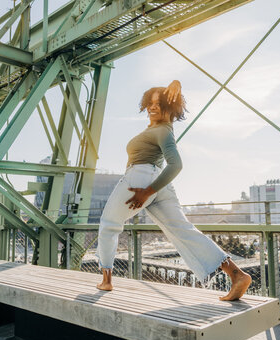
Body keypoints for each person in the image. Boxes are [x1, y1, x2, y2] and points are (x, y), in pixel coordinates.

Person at [95, 80, 252, 301]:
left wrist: (147, 191)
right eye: (149, 103)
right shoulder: (160, 130)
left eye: (158, 103)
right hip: (162, 184)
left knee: (108, 225)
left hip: (142, 179)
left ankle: (106, 280)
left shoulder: (162, 131)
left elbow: (176, 165)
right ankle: (237, 275)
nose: (152, 107)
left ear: (170, 106)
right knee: (183, 230)